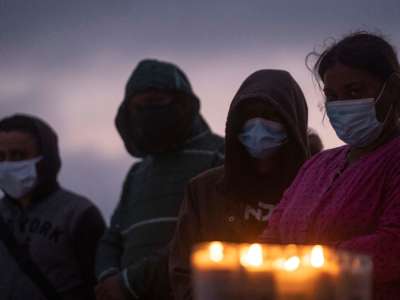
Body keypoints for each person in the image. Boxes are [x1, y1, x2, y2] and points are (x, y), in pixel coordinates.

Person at [261, 32, 400, 300]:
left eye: (355, 91)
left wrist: (307, 261)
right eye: (333, 95)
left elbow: (392, 248)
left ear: (392, 88)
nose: (342, 104)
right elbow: (273, 234)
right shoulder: (317, 166)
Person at [169, 69, 310, 300]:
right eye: (249, 115)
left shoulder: (315, 189)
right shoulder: (203, 191)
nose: (258, 125)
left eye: (271, 115)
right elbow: (183, 272)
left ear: (292, 122)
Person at [95, 59, 224, 300]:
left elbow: (205, 238)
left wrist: (129, 282)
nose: (147, 114)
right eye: (138, 106)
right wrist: (108, 277)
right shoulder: (137, 173)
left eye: (155, 103)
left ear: (183, 104)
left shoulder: (221, 156)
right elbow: (112, 239)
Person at [0, 114, 106, 300]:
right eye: (1, 157)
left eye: (18, 155)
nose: (7, 165)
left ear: (45, 158)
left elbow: (100, 286)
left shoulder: (78, 214)